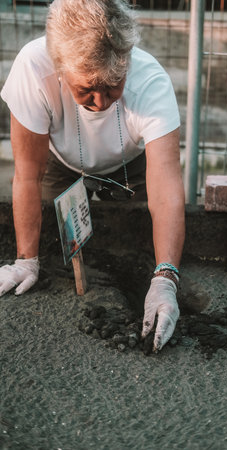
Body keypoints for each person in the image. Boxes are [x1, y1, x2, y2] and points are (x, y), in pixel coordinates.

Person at [0, 0, 185, 352]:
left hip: (132, 165)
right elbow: (28, 173)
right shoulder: (32, 67)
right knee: (54, 243)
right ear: (60, 68)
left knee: (142, 242)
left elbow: (166, 189)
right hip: (61, 162)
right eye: (86, 89)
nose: (100, 102)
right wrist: (26, 259)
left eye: (113, 86)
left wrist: (166, 277)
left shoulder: (151, 82)